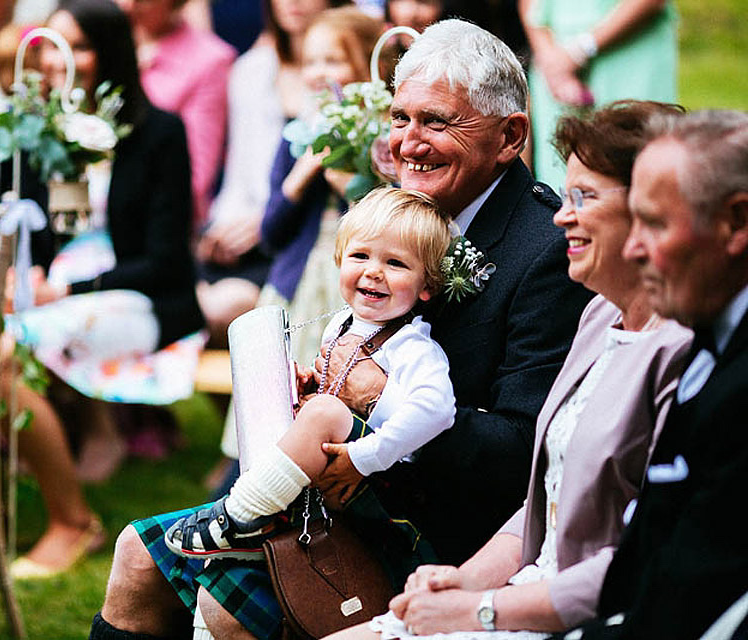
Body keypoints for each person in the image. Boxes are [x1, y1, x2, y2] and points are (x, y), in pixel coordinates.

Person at [88, 18, 593, 640]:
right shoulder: (397, 212)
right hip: (334, 491)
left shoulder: (546, 251)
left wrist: (375, 403)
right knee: (136, 555)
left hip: (435, 532)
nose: (408, 143)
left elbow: (522, 451)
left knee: (225, 607)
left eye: (436, 122)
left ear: (510, 136)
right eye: (399, 118)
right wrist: (324, 383)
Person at [325, 99, 692, 639]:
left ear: (652, 212)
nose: (562, 216)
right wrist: (462, 582)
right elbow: (547, 501)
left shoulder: (685, 355)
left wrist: (481, 612)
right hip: (515, 589)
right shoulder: (600, 314)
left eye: (584, 198)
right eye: (565, 196)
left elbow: (647, 559)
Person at [0, 0, 205, 579]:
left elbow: (164, 259)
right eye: (51, 47)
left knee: (2, 358)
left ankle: (72, 521)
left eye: (79, 47)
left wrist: (73, 286)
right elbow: (29, 224)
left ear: (109, 53)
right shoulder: (38, 131)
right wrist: (27, 273)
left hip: (141, 297)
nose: (62, 61)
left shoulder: (159, 131)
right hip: (56, 295)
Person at [166, 186, 456, 560]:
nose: (373, 271)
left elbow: (438, 410)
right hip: (333, 474)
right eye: (360, 255)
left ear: (427, 285)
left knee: (324, 413)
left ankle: (240, 513)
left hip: (386, 484)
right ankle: (258, 512)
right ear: (340, 260)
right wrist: (316, 387)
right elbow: (340, 397)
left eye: (395, 264)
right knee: (295, 396)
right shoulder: (341, 323)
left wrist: (364, 455)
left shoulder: (413, 345)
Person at [555, 109, 748, 640]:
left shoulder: (714, 361)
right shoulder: (710, 335)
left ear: (737, 223)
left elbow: (699, 584)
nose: (635, 248)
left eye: (656, 223)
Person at [194, 0, 347, 346]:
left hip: (295, 243)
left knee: (218, 308)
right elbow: (239, 174)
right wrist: (221, 228)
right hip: (245, 235)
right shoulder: (251, 69)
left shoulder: (342, 79)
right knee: (189, 296)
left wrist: (262, 220)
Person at [258, 5, 384, 366]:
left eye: (333, 61)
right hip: (293, 288)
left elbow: (392, 225)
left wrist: (350, 185)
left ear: (364, 65)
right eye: (310, 62)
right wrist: (301, 173)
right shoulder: (298, 134)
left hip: (355, 289)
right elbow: (270, 235)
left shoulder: (381, 137)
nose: (318, 73)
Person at [521, 0, 677, 187]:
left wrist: (579, 51)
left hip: (627, 56)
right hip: (554, 66)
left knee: (635, 170)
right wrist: (551, 61)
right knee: (560, 179)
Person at [119, 0, 236, 229]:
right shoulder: (99, 42)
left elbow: (195, 178)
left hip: (158, 226)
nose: (129, 5)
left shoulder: (209, 60)